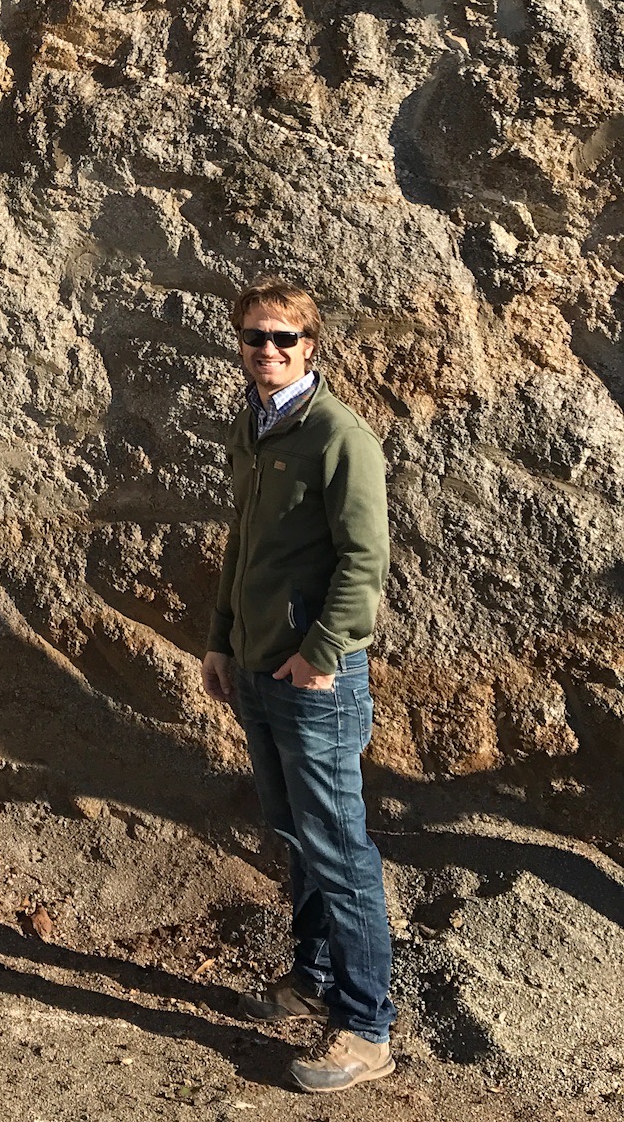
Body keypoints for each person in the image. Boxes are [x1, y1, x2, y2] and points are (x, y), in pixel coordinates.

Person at [201, 281, 395, 1095]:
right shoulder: (254, 425)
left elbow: (365, 563)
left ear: (310, 345)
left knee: (340, 849)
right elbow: (242, 545)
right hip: (254, 665)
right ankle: (311, 977)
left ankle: (365, 1026)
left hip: (314, 676)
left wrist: (318, 653)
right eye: (252, 337)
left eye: (282, 338)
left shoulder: (335, 435)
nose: (266, 350)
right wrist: (219, 640)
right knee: (293, 831)